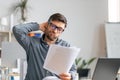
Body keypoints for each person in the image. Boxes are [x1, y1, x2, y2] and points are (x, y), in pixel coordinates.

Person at [13, 13, 77, 80]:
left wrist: (70, 76)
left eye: (59, 29)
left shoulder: (66, 46)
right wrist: (38, 26)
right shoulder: (31, 43)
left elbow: (73, 71)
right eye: (53, 26)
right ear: (47, 24)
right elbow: (17, 30)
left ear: (62, 31)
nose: (55, 31)